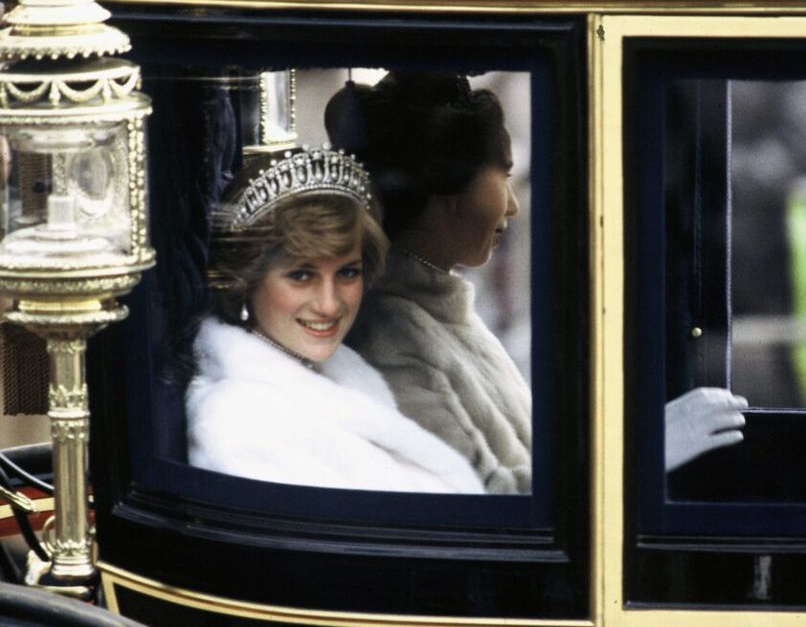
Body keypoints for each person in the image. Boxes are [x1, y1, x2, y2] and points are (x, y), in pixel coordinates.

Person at [329, 71, 745, 494]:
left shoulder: (435, 313)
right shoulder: (392, 335)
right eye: (504, 177)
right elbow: (482, 506)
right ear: (449, 195)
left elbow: (523, 459)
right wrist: (638, 456)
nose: (511, 206)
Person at [184, 144, 484, 494]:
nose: (329, 305)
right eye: (301, 275)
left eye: (347, 273)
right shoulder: (237, 419)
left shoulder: (344, 374)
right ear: (247, 279)